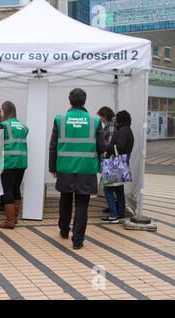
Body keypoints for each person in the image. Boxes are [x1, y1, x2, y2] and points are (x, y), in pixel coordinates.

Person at [49, 88, 106, 250]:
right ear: (84, 101)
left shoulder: (60, 119)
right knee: (82, 203)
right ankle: (78, 240)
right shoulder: (95, 121)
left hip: (65, 168)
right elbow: (101, 147)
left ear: (69, 101)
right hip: (87, 169)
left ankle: (64, 230)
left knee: (65, 199)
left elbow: (53, 146)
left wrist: (52, 167)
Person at [0, 101, 28, 229]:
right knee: (16, 189)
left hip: (8, 161)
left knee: (7, 189)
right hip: (22, 161)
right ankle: (15, 218)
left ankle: (9, 221)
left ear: (4, 111)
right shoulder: (24, 127)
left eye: (1, 110)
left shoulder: (2, 126)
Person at [101, 110, 134, 224]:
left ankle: (113, 215)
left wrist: (107, 146)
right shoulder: (128, 130)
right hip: (122, 163)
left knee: (108, 189)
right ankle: (121, 214)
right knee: (119, 190)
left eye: (116, 119)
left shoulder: (122, 131)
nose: (115, 122)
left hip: (115, 164)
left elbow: (118, 146)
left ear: (120, 120)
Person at [97, 106, 117, 214]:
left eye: (101, 117)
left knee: (108, 188)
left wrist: (102, 144)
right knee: (113, 187)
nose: (101, 120)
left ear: (105, 115)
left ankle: (113, 212)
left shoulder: (111, 124)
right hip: (111, 159)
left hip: (110, 160)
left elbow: (110, 142)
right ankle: (114, 209)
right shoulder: (110, 124)